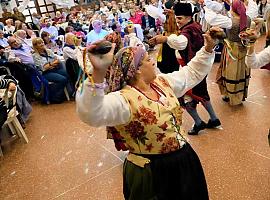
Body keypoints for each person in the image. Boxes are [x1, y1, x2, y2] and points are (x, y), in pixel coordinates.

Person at [76, 27, 220, 199]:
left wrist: (208, 48)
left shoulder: (162, 82)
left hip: (184, 160)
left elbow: (191, 73)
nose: (152, 60)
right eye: (146, 59)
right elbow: (91, 113)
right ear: (136, 69)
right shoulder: (123, 100)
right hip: (151, 171)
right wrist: (99, 72)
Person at [150, 2, 221, 134]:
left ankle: (199, 122)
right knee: (202, 93)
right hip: (198, 67)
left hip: (190, 68)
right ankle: (214, 118)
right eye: (176, 18)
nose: (177, 22)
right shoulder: (195, 25)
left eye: (180, 18)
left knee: (185, 97)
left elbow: (182, 43)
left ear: (188, 17)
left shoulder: (188, 30)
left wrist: (165, 39)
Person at [205, 0, 251, 105]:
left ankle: (229, 95)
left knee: (231, 72)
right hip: (243, 49)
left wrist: (206, 7)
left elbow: (212, 19)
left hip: (232, 50)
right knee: (241, 72)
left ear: (233, 10)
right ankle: (239, 96)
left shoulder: (231, 22)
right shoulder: (247, 18)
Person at [32, 38, 69, 103]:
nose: (42, 44)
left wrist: (50, 64)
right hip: (44, 73)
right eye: (39, 43)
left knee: (68, 74)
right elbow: (43, 68)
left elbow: (57, 60)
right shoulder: (35, 56)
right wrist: (51, 64)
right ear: (35, 46)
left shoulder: (48, 51)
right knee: (62, 79)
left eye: (42, 42)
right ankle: (54, 97)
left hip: (54, 69)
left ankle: (63, 94)